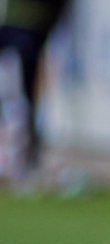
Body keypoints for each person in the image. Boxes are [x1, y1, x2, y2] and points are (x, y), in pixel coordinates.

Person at [0, 0, 70, 185]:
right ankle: (18, 163)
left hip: (30, 34)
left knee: (21, 104)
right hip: (18, 32)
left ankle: (21, 163)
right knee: (17, 102)